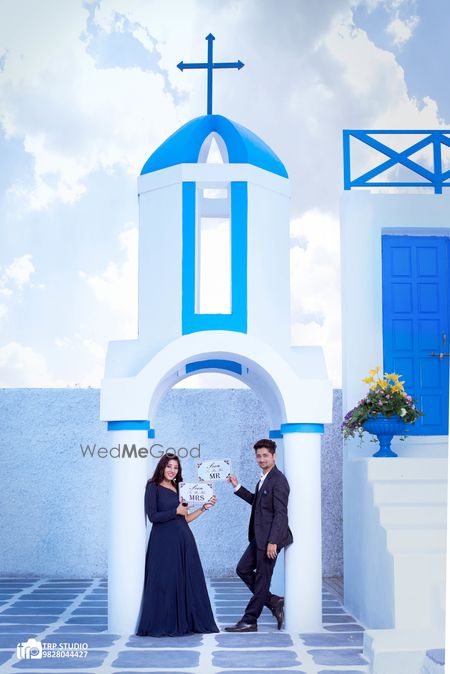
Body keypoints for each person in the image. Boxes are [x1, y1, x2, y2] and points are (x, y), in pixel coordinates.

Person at [136, 454, 219, 637]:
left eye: (176, 467)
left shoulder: (180, 488)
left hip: (184, 540)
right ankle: (164, 624)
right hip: (163, 542)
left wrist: (204, 508)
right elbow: (153, 517)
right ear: (162, 467)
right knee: (165, 581)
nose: (172, 470)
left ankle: (187, 622)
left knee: (187, 581)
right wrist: (175, 510)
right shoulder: (153, 487)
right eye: (169, 466)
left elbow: (185, 518)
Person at [226, 438, 293, 632]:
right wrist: (237, 486)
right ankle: (273, 601)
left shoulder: (278, 480)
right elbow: (258, 503)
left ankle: (250, 620)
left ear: (274, 456)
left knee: (263, 580)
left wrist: (273, 541)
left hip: (269, 539)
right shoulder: (264, 478)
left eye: (265, 456)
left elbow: (281, 514)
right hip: (260, 538)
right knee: (243, 569)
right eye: (258, 456)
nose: (262, 459)